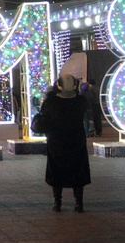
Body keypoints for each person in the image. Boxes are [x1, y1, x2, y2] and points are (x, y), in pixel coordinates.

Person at [39, 73, 91, 212]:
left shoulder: (51, 102)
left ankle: (58, 203)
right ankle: (79, 203)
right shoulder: (80, 102)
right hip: (76, 140)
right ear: (75, 85)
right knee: (78, 171)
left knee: (56, 170)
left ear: (59, 85)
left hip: (57, 141)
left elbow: (44, 116)